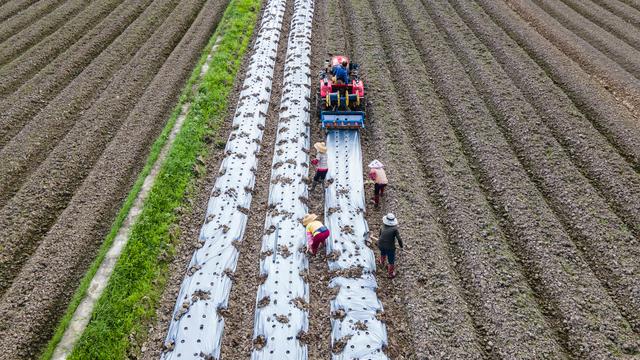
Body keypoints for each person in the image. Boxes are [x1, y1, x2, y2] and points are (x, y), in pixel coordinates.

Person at [377, 213, 403, 278]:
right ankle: (390, 273)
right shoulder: (394, 229)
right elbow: (399, 239)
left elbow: (379, 236)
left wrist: (381, 241)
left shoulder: (382, 226)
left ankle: (381, 262)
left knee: (383, 252)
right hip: (390, 247)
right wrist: (401, 246)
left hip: (380, 244)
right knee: (391, 259)